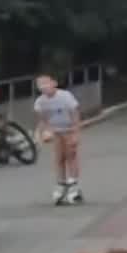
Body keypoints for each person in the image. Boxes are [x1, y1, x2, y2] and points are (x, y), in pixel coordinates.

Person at [33, 74, 84, 205]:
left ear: (54, 83)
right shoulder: (40, 102)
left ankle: (73, 184)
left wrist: (76, 133)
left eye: (46, 83)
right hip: (56, 131)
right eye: (40, 85)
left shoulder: (65, 96)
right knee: (59, 158)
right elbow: (43, 119)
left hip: (68, 129)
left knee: (71, 156)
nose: (43, 87)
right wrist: (40, 134)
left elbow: (75, 114)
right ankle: (61, 183)